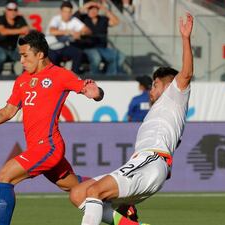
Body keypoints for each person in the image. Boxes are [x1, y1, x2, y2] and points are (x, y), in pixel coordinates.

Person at [0, 30, 104, 225]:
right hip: (37, 148)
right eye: (20, 56)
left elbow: (90, 90)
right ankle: (120, 202)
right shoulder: (22, 80)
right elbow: (8, 111)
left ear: (40, 54)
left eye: (25, 56)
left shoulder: (60, 75)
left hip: (49, 146)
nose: (21, 61)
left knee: (5, 175)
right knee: (76, 188)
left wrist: (95, 92)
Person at [70, 13, 193, 225]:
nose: (150, 91)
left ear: (169, 85)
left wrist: (185, 38)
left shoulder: (175, 97)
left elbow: (186, 75)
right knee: (78, 193)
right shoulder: (159, 112)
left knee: (93, 192)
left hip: (152, 161)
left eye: (155, 85)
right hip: (143, 163)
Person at [75, 0, 125, 75]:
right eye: (91, 9)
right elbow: (73, 17)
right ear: (87, 10)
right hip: (88, 48)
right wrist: (88, 4)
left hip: (102, 48)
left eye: (95, 9)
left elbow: (116, 21)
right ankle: (95, 77)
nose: (93, 11)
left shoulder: (103, 19)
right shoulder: (83, 18)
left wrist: (104, 8)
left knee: (120, 56)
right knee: (96, 58)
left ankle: (110, 75)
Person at [46, 1, 91, 74]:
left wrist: (79, 33)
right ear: (61, 12)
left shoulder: (74, 20)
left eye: (69, 12)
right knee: (52, 61)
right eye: (65, 11)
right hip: (50, 48)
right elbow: (52, 31)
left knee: (78, 53)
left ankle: (74, 76)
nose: (67, 14)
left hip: (63, 47)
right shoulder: (56, 19)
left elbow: (88, 31)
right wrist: (69, 32)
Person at [0, 1, 29, 75]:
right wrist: (19, 30)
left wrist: (10, 31)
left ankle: (24, 77)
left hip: (12, 49)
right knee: (1, 56)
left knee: (26, 56)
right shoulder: (0, 19)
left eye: (15, 10)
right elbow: (3, 31)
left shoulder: (20, 19)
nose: (12, 12)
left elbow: (27, 30)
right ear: (5, 10)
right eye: (10, 9)